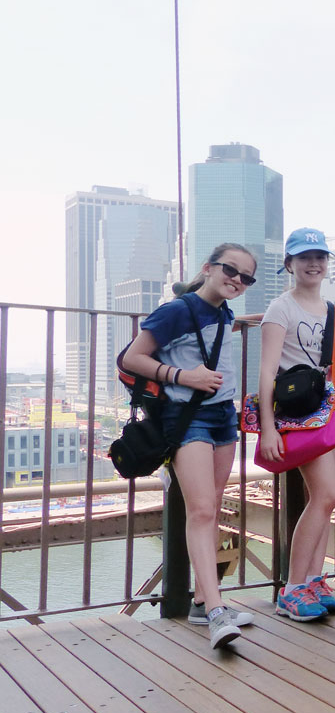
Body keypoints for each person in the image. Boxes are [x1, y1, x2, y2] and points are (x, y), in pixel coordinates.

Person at [121, 244, 258, 648]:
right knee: (200, 510)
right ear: (209, 268)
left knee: (211, 507)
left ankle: (202, 601)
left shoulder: (222, 312)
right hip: (188, 417)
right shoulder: (176, 310)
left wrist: (263, 319)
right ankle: (216, 611)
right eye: (231, 270)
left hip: (223, 418)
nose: (237, 279)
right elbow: (133, 357)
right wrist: (184, 376)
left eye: (245, 277)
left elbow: (217, 332)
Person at [258, 228, 335, 622]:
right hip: (296, 416)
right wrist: (269, 427)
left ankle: (312, 578)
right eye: (304, 257)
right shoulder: (282, 308)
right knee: (326, 494)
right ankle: (292, 588)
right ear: (289, 264)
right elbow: (266, 372)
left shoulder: (333, 309)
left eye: (320, 257)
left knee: (329, 496)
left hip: (325, 412)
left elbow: (334, 370)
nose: (314, 264)